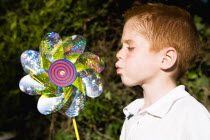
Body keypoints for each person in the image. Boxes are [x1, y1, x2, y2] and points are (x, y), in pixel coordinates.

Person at [115, 3, 210, 140]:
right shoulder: (132, 114)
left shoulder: (190, 114)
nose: (119, 54)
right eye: (122, 47)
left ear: (166, 59)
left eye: (130, 47)